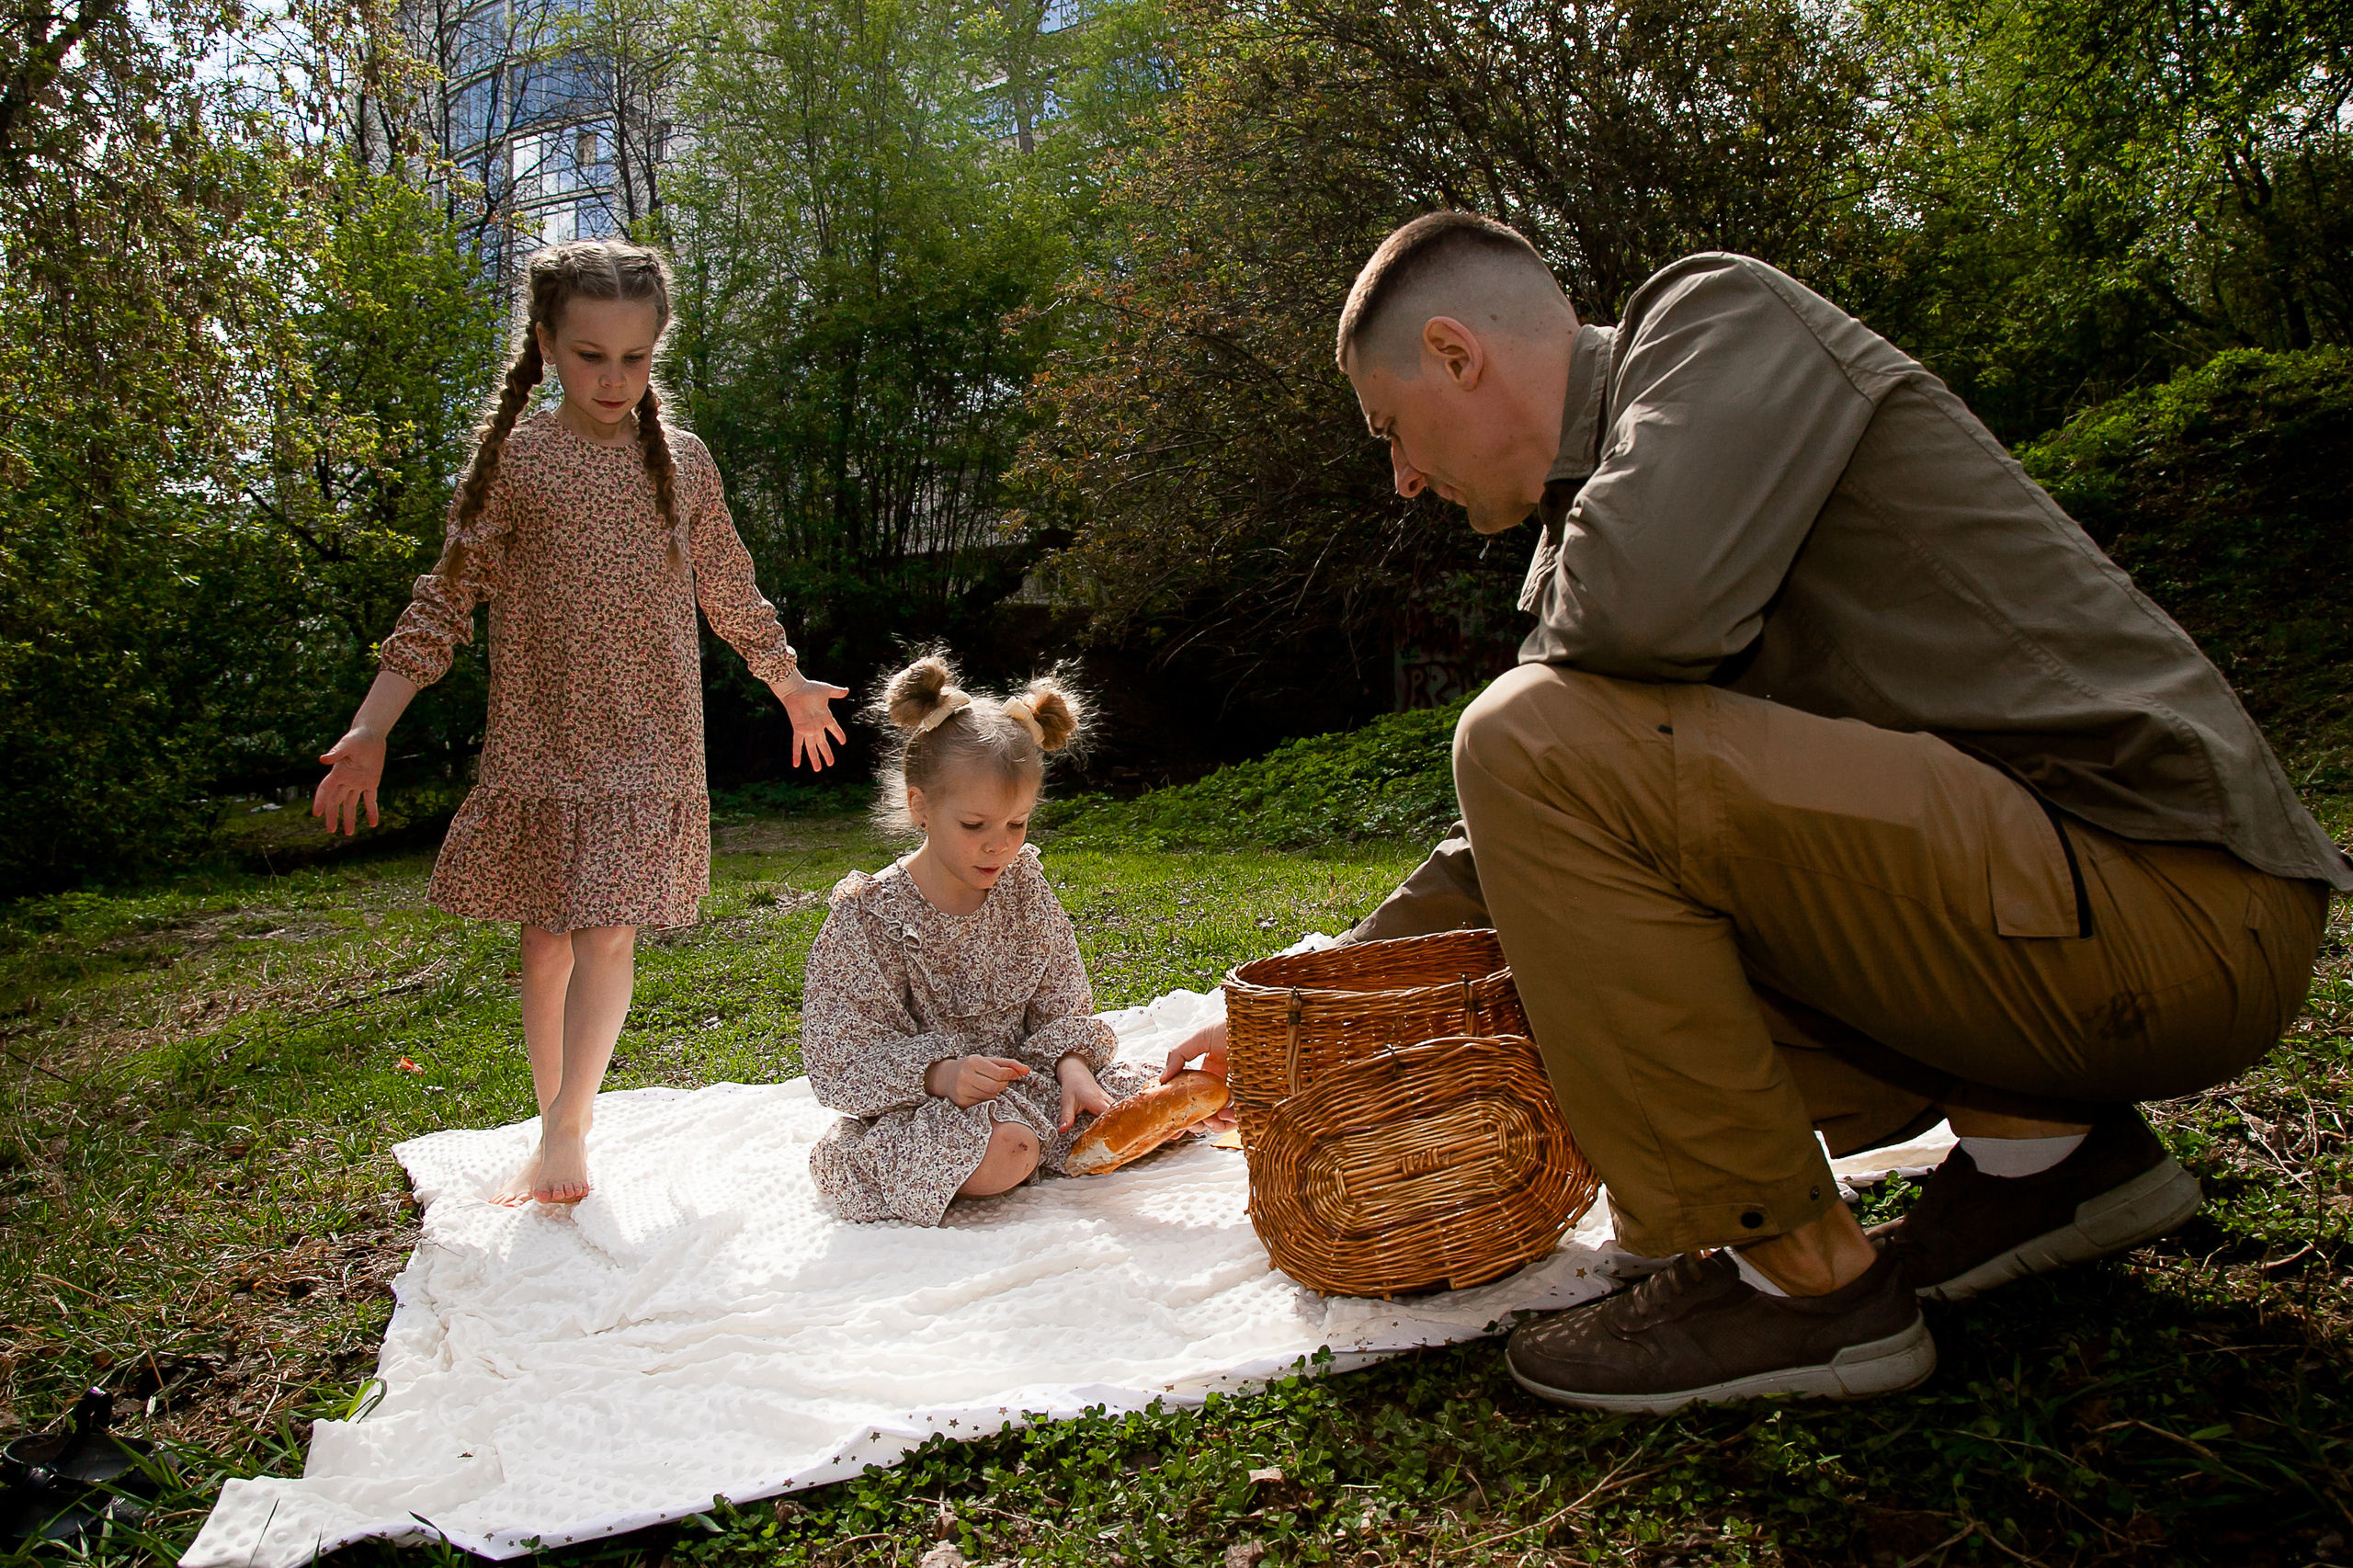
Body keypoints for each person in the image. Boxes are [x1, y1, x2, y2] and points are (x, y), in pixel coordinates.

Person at [1173, 210, 2347, 1413]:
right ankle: (2048, 1162)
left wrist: (1550, 664)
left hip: (2174, 900)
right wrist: (1324, 988)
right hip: (2068, 925)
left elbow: (1601, 675)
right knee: (1558, 906)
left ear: (1455, 353)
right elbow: (1541, 830)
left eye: (1391, 429)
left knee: (1522, 737)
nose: (1404, 478)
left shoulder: (1717, 321)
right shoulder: (1606, 512)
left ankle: (1798, 1283)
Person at [310, 239, 847, 1208]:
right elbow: (443, 602)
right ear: (548, 345)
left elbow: (729, 586)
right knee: (547, 938)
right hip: (544, 736)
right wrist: (372, 725)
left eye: (634, 358)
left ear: (656, 352)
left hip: (652, 736)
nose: (613, 378)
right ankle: (553, 1115)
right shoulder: (516, 463)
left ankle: (569, 1127)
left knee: (607, 933)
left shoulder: (683, 463)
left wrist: (787, 680)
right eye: (591, 355)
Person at [801, 653, 1161, 1226]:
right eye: (975, 826)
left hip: (1034, 1083)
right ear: (921, 806)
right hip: (923, 1109)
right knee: (1006, 1150)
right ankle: (967, 1157)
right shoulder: (870, 919)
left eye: (1017, 823)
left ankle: (1049, 1130)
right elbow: (842, 1057)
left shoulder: (1025, 889)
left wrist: (1072, 1066)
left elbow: (1063, 1002)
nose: (1000, 845)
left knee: (1160, 1099)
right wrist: (942, 1074)